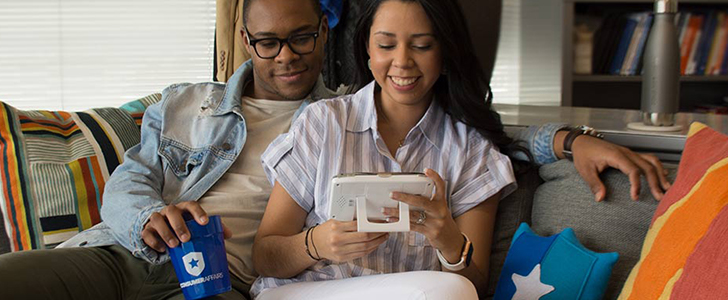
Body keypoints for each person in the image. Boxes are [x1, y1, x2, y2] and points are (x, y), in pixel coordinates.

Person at [0, 0, 669, 299]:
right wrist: (145, 219)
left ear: (324, 34)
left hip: (218, 284)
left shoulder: (425, 133)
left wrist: (567, 138)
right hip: (135, 257)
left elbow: (477, 140)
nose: (284, 55)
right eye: (267, 42)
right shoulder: (208, 106)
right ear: (244, 40)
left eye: (300, 36)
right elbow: (135, 178)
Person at [248, 0, 671, 299]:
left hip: (415, 295)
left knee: (452, 289)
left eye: (421, 44)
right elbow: (265, 255)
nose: (402, 62)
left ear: (446, 54)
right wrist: (317, 244)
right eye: (386, 44)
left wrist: (450, 242)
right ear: (367, 49)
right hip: (305, 291)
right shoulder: (324, 123)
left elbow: (474, 282)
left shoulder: (470, 150)